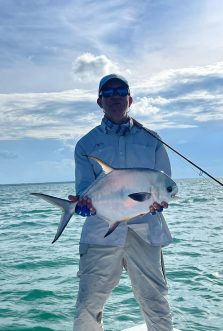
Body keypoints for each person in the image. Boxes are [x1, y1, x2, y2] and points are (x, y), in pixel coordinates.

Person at [70, 74, 174, 331]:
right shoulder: (86, 144)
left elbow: (163, 182)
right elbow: (84, 189)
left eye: (121, 91)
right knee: (87, 307)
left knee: (156, 304)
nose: (115, 96)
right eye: (108, 93)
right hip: (100, 233)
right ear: (99, 101)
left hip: (146, 231)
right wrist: (83, 205)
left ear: (130, 99)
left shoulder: (152, 139)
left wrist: (159, 203)